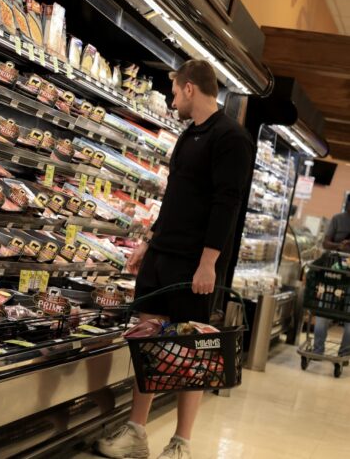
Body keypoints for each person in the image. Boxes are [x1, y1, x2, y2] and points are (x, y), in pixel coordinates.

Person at [95, 60, 254, 459]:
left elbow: (227, 203)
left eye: (174, 92)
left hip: (192, 263)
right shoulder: (188, 135)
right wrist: (149, 241)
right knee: (149, 343)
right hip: (162, 255)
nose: (172, 100)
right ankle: (136, 432)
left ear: (189, 88)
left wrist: (209, 262)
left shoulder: (231, 137)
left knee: (191, 349)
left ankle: (181, 442)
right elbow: (174, 197)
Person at [313, 197, 350, 355]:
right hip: (333, 274)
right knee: (324, 311)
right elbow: (325, 243)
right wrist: (339, 246)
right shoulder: (337, 219)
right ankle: (318, 349)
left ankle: (344, 353)